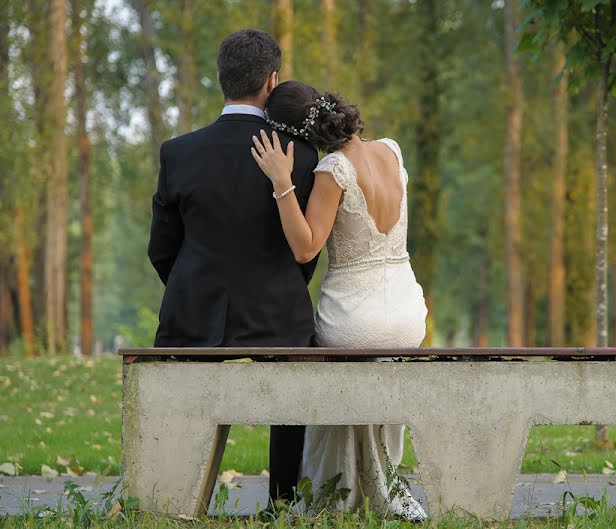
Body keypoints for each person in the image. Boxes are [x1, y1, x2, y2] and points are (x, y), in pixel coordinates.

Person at [147, 29, 319, 509]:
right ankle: (282, 504)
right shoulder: (300, 155)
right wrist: (282, 288)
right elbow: (306, 249)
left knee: (178, 376)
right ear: (272, 81)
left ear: (221, 79)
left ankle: (171, 497)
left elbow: (162, 248)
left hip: (192, 316)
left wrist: (192, 288)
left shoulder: (178, 152)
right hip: (278, 316)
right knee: (292, 367)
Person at [251, 80, 428, 521]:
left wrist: (281, 182)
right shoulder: (391, 149)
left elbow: (306, 247)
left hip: (356, 319)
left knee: (322, 351)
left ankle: (336, 490)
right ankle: (378, 480)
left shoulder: (332, 170)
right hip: (408, 313)